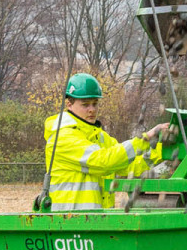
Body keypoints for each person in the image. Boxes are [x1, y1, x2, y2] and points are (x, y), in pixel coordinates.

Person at [42, 73, 173, 211]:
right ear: (69, 104)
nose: (92, 109)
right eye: (85, 105)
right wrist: (146, 138)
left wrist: (162, 149)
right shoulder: (62, 138)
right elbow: (103, 161)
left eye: (95, 104)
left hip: (98, 219)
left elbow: (131, 164)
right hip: (67, 219)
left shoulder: (101, 138)